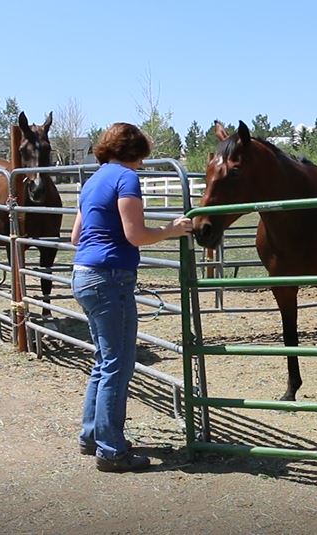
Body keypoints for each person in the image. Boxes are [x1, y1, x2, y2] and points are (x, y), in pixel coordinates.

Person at [70, 122, 192, 472]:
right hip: (109, 278)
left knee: (103, 360)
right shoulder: (126, 179)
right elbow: (135, 234)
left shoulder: (91, 182)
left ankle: (91, 435)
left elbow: (76, 238)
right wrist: (172, 230)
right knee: (117, 364)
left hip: (82, 275)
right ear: (135, 152)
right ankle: (111, 450)